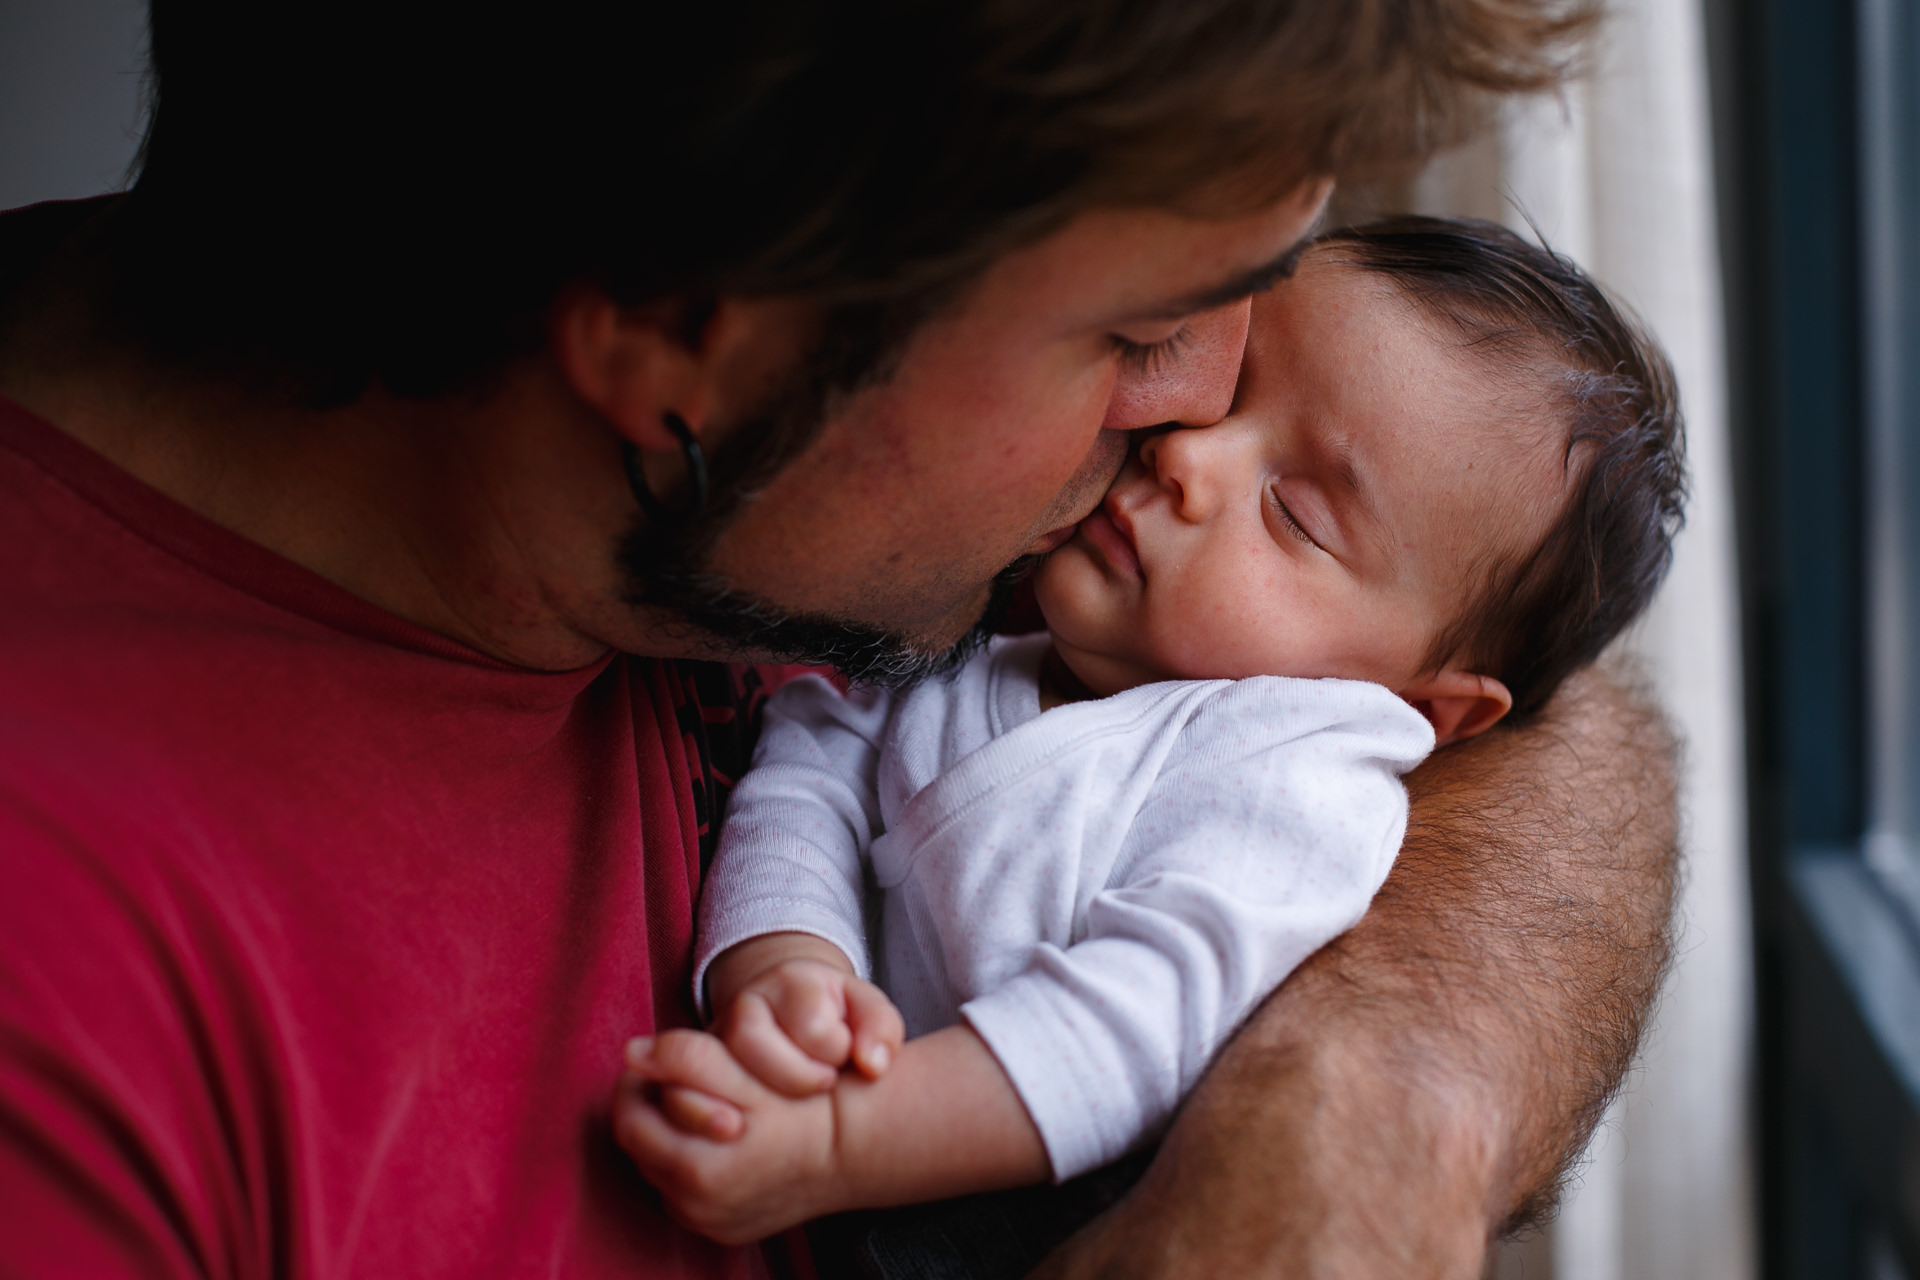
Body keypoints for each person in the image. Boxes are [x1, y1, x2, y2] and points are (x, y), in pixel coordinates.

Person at [0, 4, 1677, 1278]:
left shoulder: (852, 523)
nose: (1199, 412)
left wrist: (1364, 1117)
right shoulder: (75, 1036)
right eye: (1140, 330)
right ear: (676, 332)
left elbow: (1534, 709)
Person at [612, 218, 1686, 1259]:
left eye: (1296, 514)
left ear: (1422, 706)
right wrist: (788, 962)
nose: (1189, 455)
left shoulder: (1296, 772)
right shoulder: (1006, 629)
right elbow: (808, 766)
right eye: (1232, 385)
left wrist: (846, 1138)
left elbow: (1134, 1024)